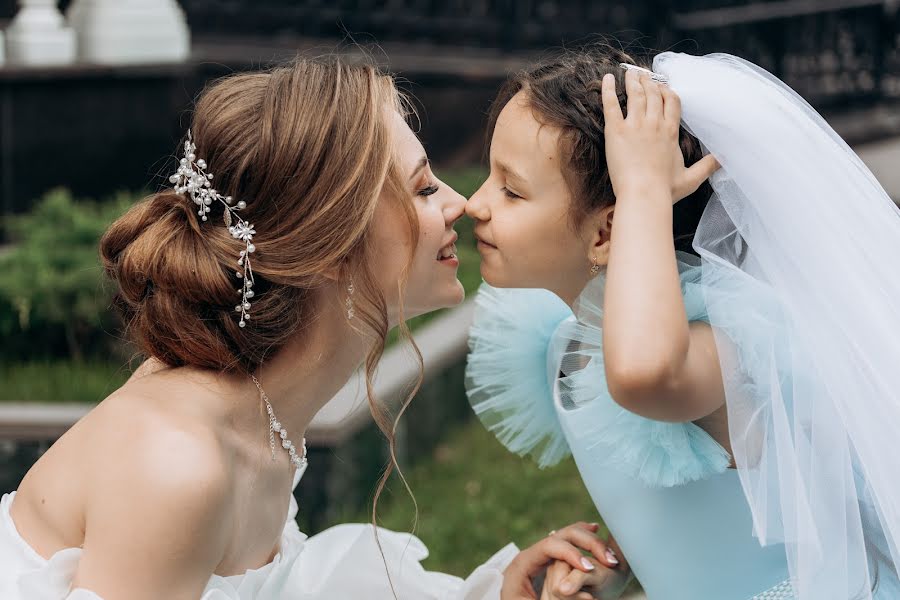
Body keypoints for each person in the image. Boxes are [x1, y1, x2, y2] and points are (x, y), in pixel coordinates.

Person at [0, 55, 607, 600]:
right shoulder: (176, 465)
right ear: (331, 250)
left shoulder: (258, 409)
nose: (462, 203)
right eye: (423, 187)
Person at [466, 46, 900, 600]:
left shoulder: (720, 346)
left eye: (511, 189)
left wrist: (642, 188)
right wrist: (618, 563)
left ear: (606, 233)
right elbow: (700, 509)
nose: (474, 204)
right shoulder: (565, 346)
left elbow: (644, 375)